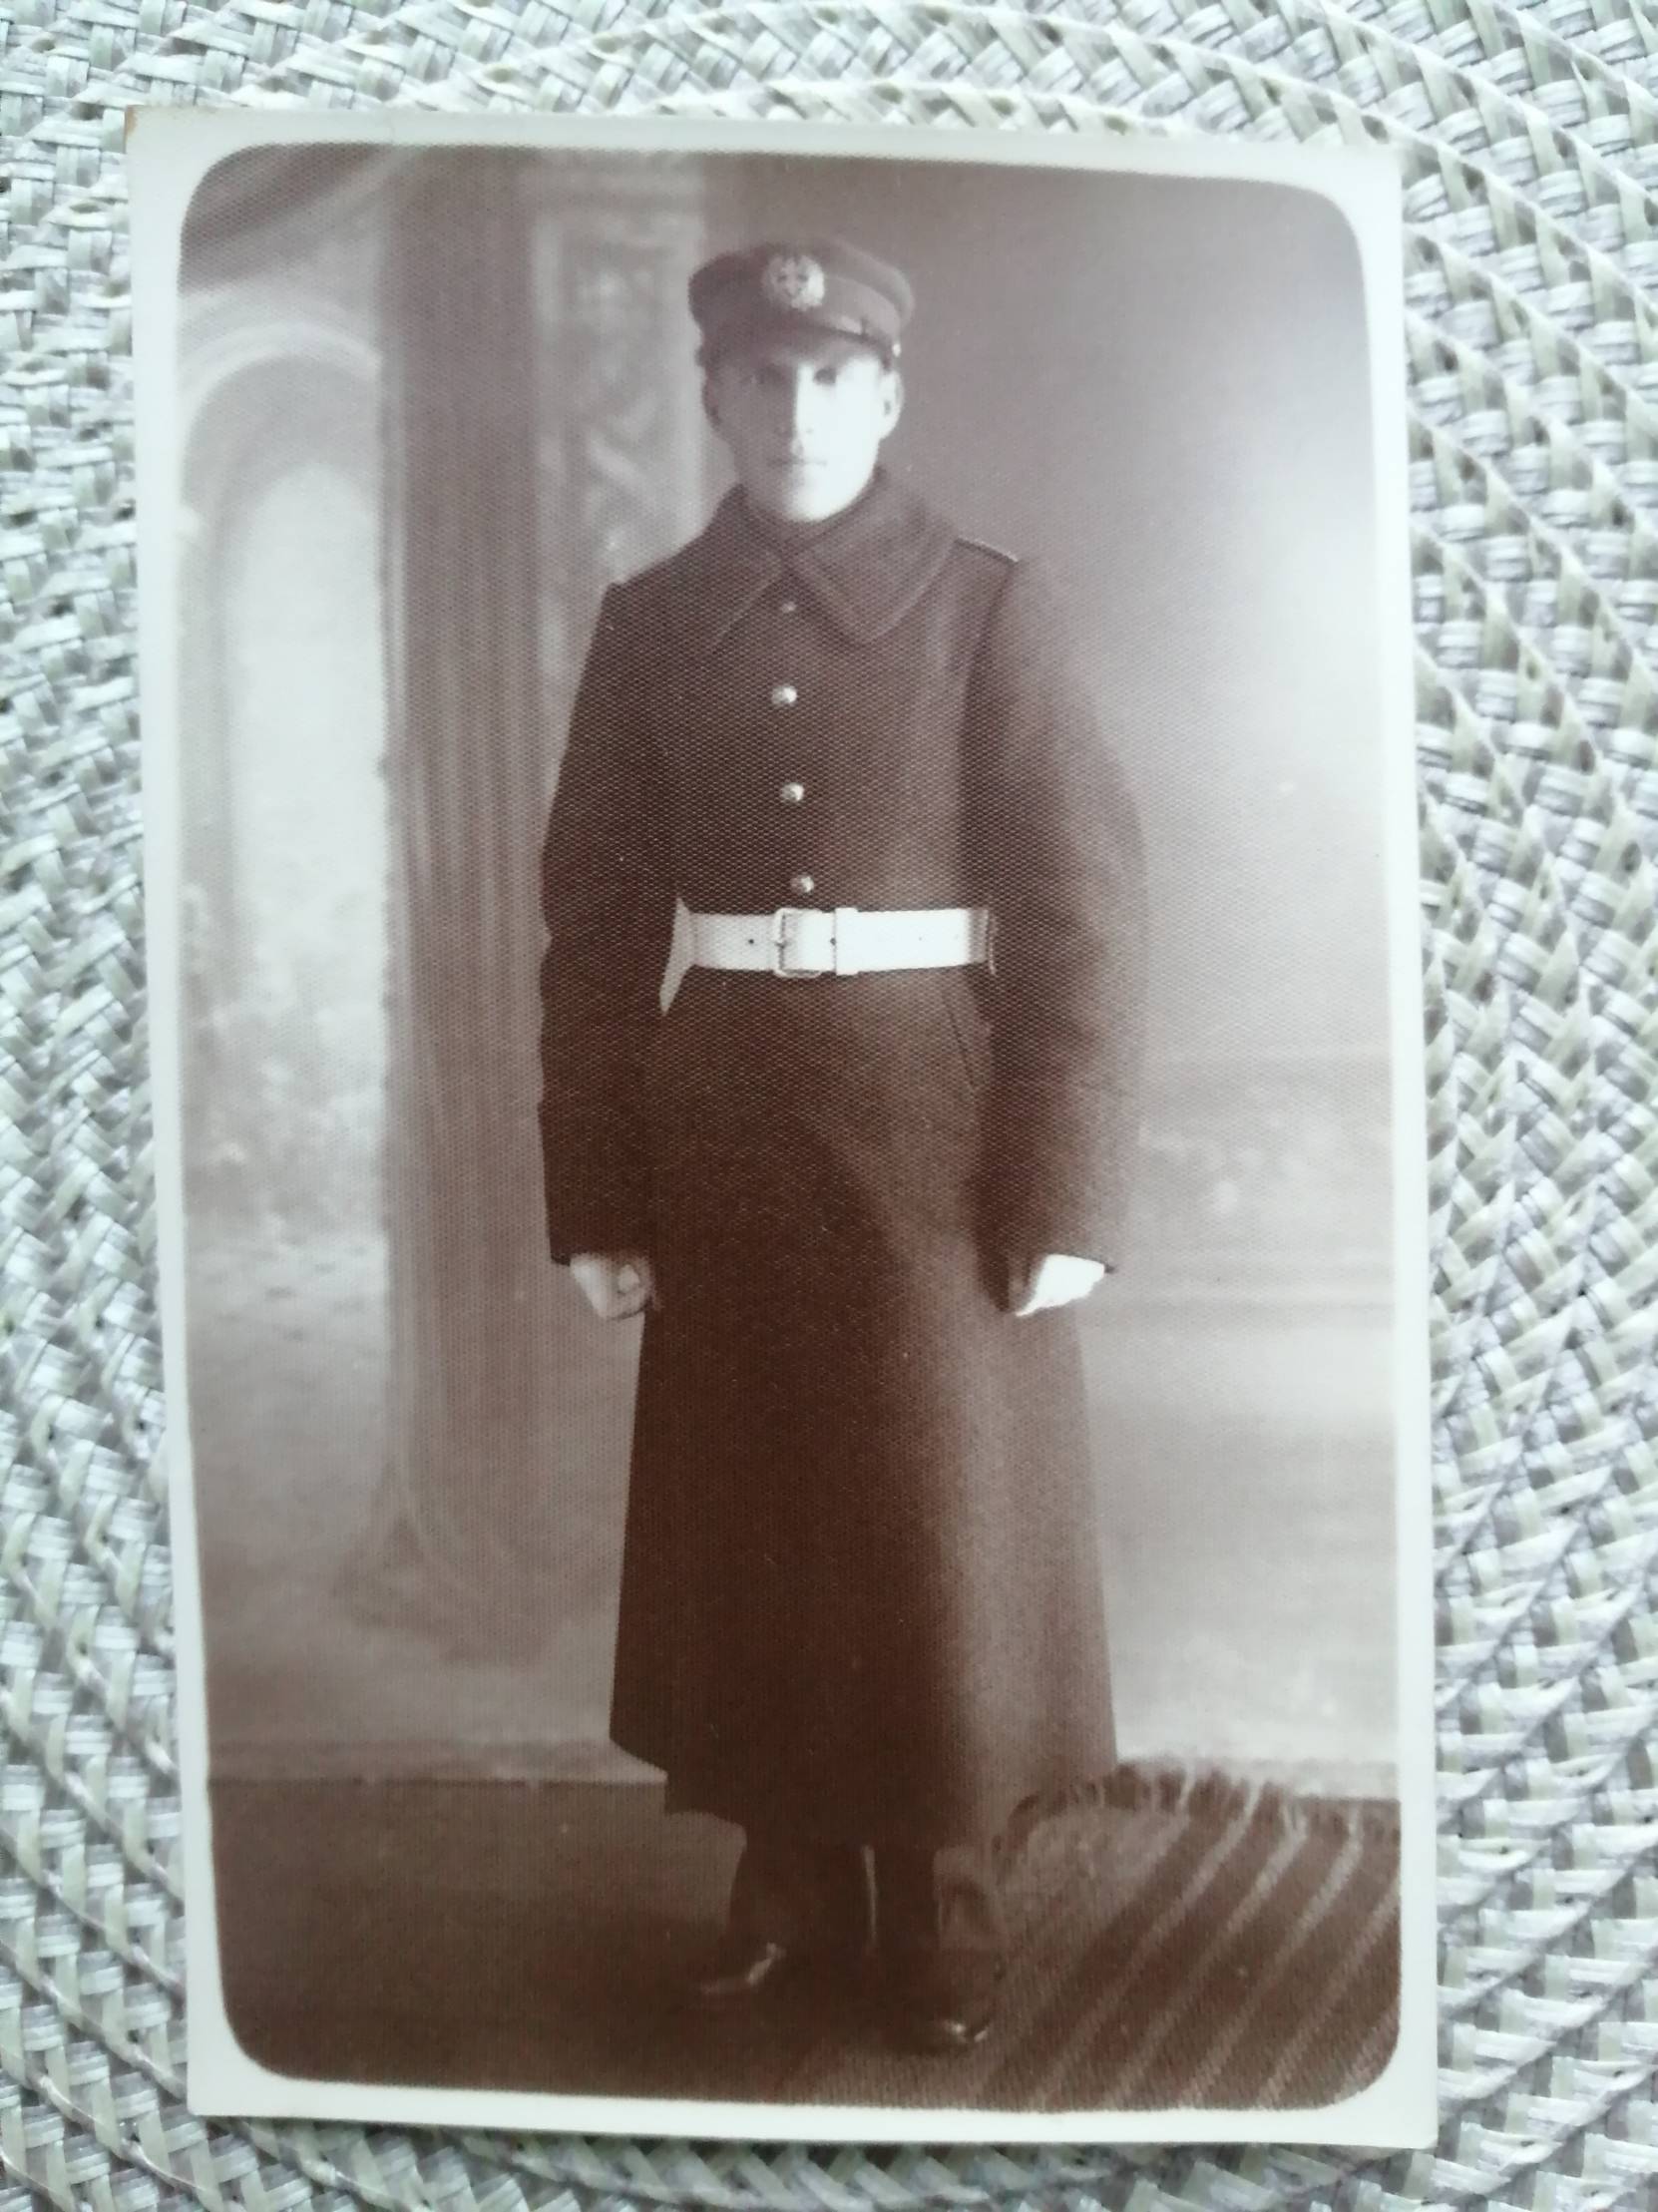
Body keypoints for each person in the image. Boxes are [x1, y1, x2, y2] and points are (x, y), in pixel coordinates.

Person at [537, 237, 1148, 2055]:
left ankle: (943, 1895)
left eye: (830, 377)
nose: (796, 410)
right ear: (714, 397)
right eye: (762, 377)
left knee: (929, 1512)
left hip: (934, 1127)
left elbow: (1084, 917)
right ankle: (788, 1880)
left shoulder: (987, 606)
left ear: (886, 395)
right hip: (719, 1117)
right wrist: (597, 1189)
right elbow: (593, 924)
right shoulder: (652, 622)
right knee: (759, 1502)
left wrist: (1066, 1186)